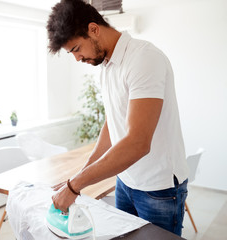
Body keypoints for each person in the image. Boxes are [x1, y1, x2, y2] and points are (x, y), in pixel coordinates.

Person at [46, 0, 189, 236]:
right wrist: (79, 174)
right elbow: (113, 124)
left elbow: (138, 143)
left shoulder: (144, 59)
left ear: (93, 29)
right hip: (125, 181)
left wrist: (75, 185)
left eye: (76, 49)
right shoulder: (107, 65)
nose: (77, 59)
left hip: (158, 188)